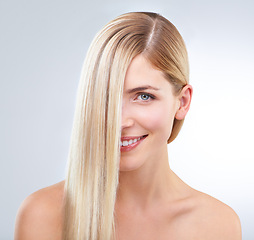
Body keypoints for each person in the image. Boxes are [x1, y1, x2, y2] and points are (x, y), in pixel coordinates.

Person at [14, 12, 242, 240]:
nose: (120, 121)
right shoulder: (41, 216)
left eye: (144, 96)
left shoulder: (218, 225)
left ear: (182, 102)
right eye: (106, 96)